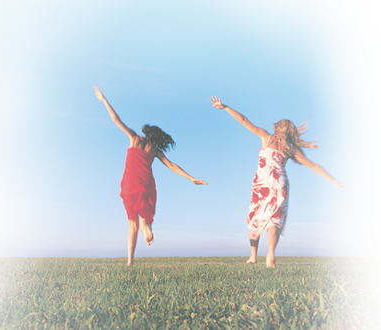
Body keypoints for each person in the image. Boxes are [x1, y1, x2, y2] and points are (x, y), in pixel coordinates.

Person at [210, 96, 351, 268]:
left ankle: (253, 256)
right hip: (280, 183)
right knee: (274, 220)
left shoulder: (267, 137)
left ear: (277, 128)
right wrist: (334, 181)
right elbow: (313, 165)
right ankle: (270, 254)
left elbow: (244, 121)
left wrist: (225, 107)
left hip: (263, 182)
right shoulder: (292, 149)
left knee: (255, 216)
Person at [94, 86, 207, 265]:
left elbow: (116, 120)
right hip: (145, 183)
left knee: (132, 225)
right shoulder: (155, 150)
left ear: (146, 133)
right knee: (141, 214)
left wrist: (104, 100)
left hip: (129, 183)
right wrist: (190, 178)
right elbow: (171, 165)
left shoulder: (135, 139)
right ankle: (145, 222)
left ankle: (130, 262)